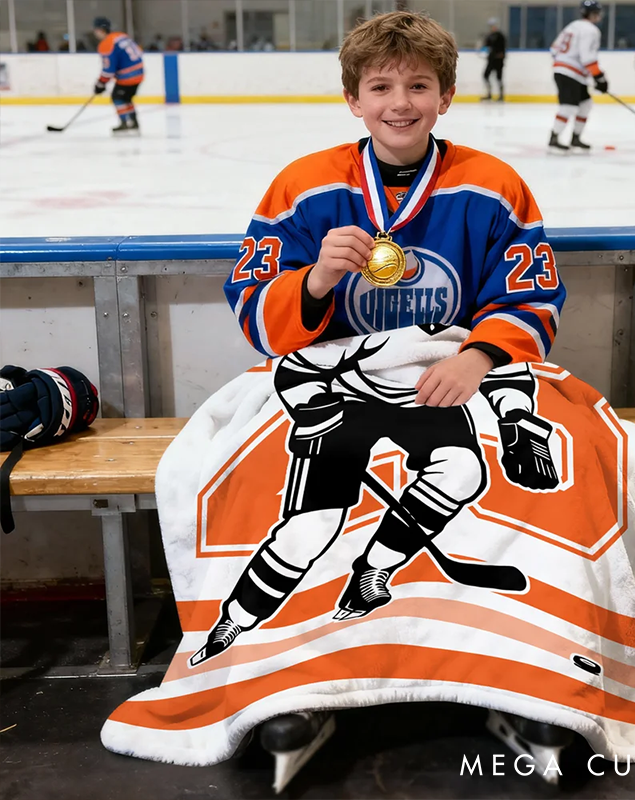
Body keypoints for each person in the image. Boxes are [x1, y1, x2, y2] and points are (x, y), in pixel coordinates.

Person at [213, 10, 566, 751]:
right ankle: (271, 658)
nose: (399, 102)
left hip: (440, 377)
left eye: (418, 85)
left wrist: (476, 359)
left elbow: (531, 298)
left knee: (487, 473)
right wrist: (311, 283)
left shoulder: (493, 185)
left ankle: (510, 659)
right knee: (299, 517)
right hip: (332, 380)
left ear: (447, 95)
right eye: (380, 86)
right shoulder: (303, 186)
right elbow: (253, 312)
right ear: (353, 99)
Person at [549, 0, 609, 151]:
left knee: (585, 104)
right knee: (568, 107)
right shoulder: (591, 30)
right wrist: (599, 77)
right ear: (594, 14)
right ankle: (554, 139)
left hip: (567, 72)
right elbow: (587, 57)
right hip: (570, 73)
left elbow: (554, 49)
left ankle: (576, 138)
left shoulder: (573, 25)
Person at [92, 16, 145, 135]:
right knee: (127, 98)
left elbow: (108, 70)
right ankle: (134, 122)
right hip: (139, 73)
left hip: (128, 76)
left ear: (100, 30)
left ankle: (124, 123)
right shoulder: (121, 36)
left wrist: (100, 83)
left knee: (117, 97)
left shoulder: (106, 44)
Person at [481, 17, 506, 102]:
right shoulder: (489, 36)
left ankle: (501, 95)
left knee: (499, 77)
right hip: (491, 59)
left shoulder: (500, 36)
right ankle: (489, 93)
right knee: (485, 75)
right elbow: (486, 46)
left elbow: (503, 49)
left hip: (498, 60)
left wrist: (501, 56)